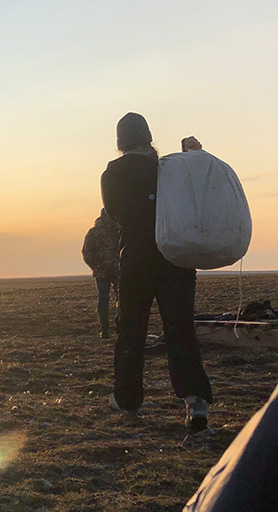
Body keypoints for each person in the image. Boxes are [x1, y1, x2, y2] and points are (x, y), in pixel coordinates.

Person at [101, 113, 213, 431]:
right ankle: (195, 401)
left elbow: (114, 213)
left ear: (120, 142)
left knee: (131, 330)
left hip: (135, 258)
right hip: (176, 257)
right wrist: (191, 156)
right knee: (180, 329)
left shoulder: (112, 173)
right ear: (148, 137)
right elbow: (195, 193)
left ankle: (126, 397)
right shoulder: (169, 168)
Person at [81, 209, 121, 338]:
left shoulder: (93, 232)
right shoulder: (119, 230)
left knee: (103, 299)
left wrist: (95, 267)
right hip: (118, 270)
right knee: (121, 298)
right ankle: (120, 327)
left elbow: (86, 252)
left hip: (102, 271)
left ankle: (105, 330)